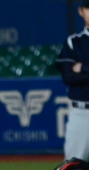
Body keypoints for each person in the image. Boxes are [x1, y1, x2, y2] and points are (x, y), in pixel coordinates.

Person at [57, 0, 89, 161]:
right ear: (81, 11)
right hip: (82, 114)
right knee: (74, 167)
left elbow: (76, 75)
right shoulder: (73, 42)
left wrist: (83, 67)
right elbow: (69, 77)